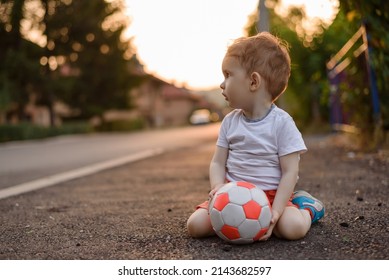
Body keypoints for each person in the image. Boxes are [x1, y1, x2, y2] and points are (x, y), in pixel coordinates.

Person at [187, 32, 325, 241]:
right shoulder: (230, 122)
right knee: (195, 226)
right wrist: (217, 187)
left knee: (292, 228)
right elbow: (217, 162)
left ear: (253, 81)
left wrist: (277, 211)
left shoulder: (282, 123)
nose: (222, 84)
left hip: (271, 196)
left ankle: (307, 208)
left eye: (228, 75)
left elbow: (290, 172)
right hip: (231, 196)